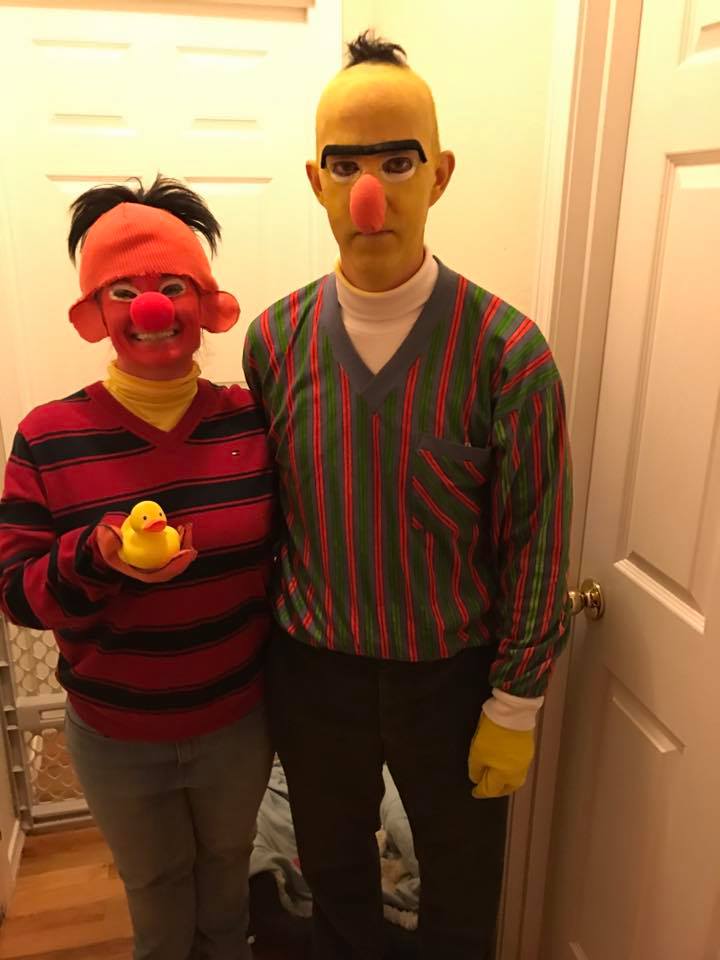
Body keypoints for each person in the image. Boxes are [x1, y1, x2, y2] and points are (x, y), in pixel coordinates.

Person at [243, 33, 572, 960]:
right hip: (314, 675)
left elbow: (536, 542)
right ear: (316, 181)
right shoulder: (272, 342)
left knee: (462, 896)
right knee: (335, 884)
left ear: (441, 173)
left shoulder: (510, 353)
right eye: (346, 165)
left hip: (452, 683)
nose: (370, 193)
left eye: (397, 162)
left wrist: (516, 704)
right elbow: (268, 523)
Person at [0, 177, 275, 960]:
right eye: (123, 291)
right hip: (115, 735)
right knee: (155, 897)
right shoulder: (46, 435)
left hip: (236, 723)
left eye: (173, 286)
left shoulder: (252, 420)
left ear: (206, 302)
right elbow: (15, 593)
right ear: (96, 312)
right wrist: (95, 557)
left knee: (228, 882)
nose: (151, 308)